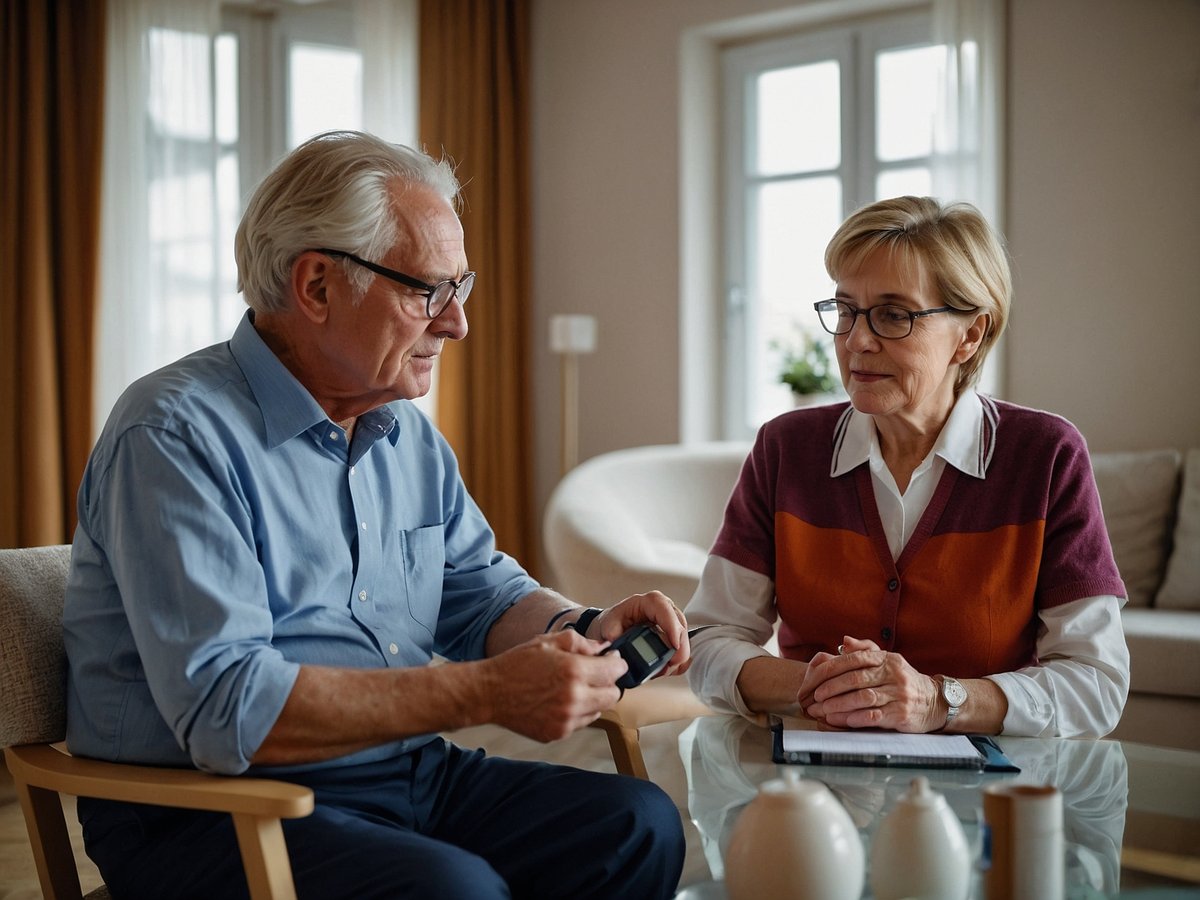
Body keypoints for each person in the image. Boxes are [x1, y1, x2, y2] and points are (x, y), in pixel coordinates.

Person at [63, 130, 691, 900]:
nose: (457, 324)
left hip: (395, 770)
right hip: (206, 808)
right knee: (451, 889)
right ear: (318, 286)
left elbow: (483, 595)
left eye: (461, 289)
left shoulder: (406, 437)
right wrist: (487, 693)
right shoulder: (172, 434)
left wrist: (585, 630)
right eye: (429, 291)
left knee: (636, 825)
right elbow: (227, 709)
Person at [686, 195, 1129, 739]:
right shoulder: (786, 449)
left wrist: (937, 701)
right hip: (808, 798)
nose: (856, 341)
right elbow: (707, 640)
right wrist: (825, 687)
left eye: (894, 315)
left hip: (986, 797)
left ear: (969, 335)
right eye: (845, 310)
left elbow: (1097, 680)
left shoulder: (1045, 455)